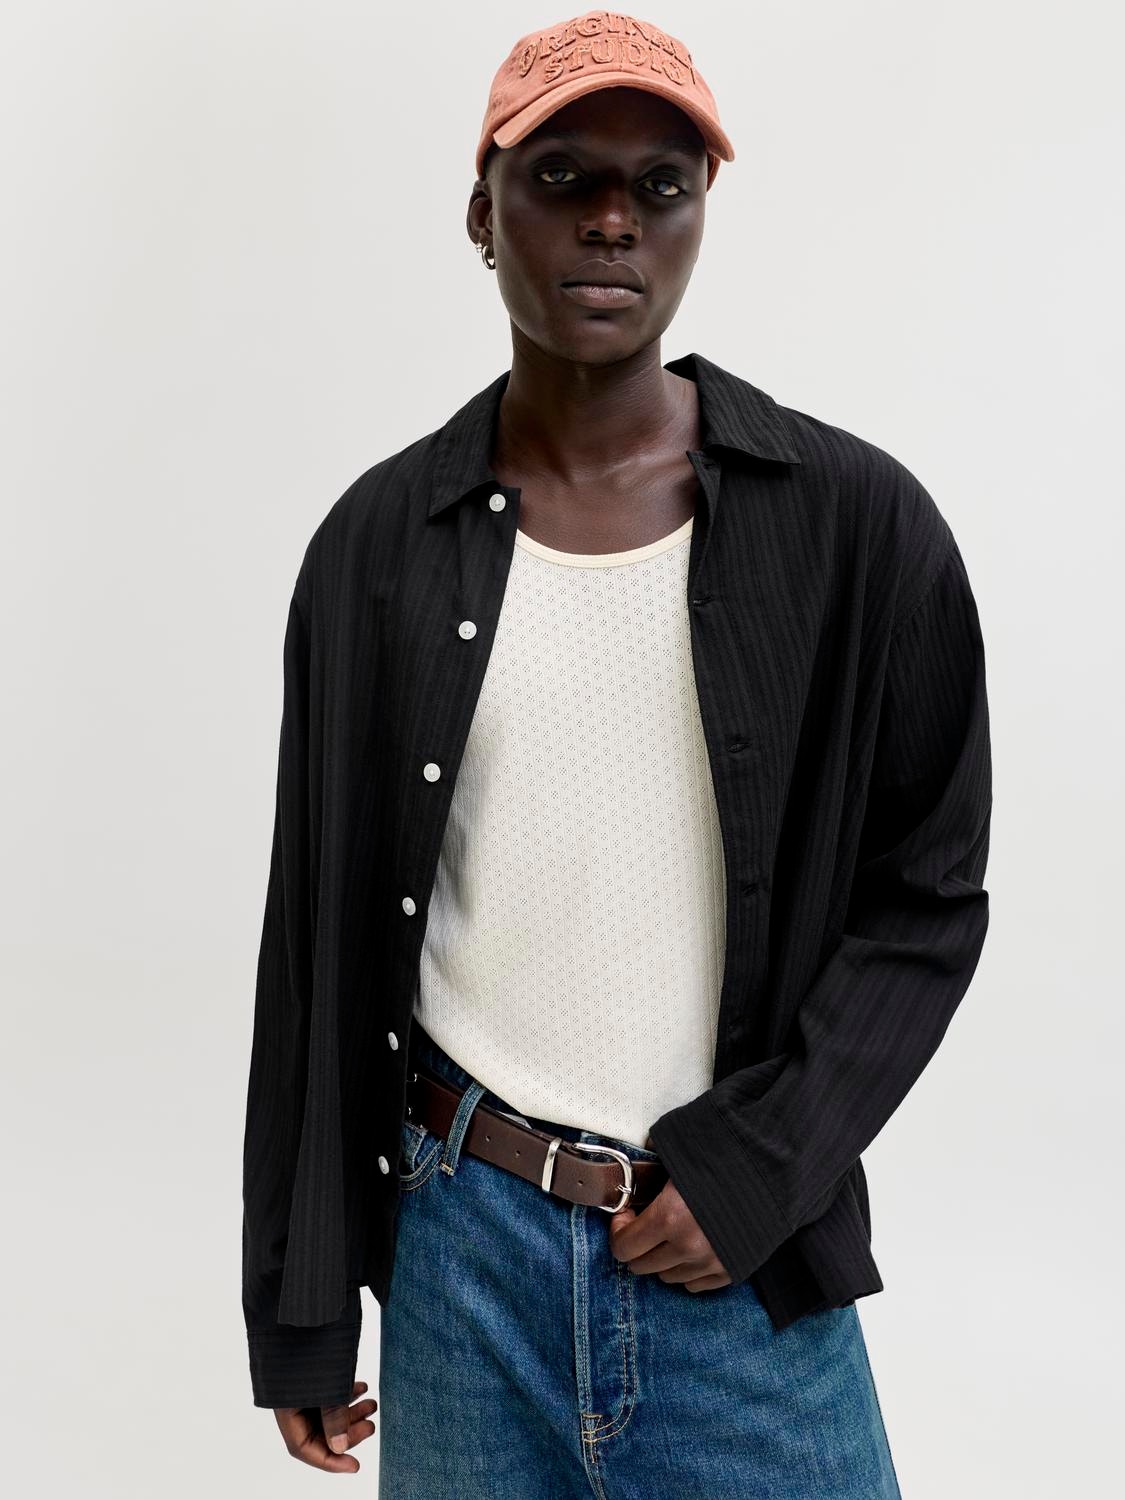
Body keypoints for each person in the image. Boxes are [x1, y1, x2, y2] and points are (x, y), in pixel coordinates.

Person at [241, 9, 991, 1496]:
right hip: (459, 1252)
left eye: (660, 186)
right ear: (482, 213)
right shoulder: (376, 549)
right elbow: (314, 942)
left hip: (733, 1260)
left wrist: (759, 1167)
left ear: (701, 215)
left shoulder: (858, 528)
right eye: (562, 176)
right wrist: (301, 1305)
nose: (610, 219)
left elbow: (926, 900)